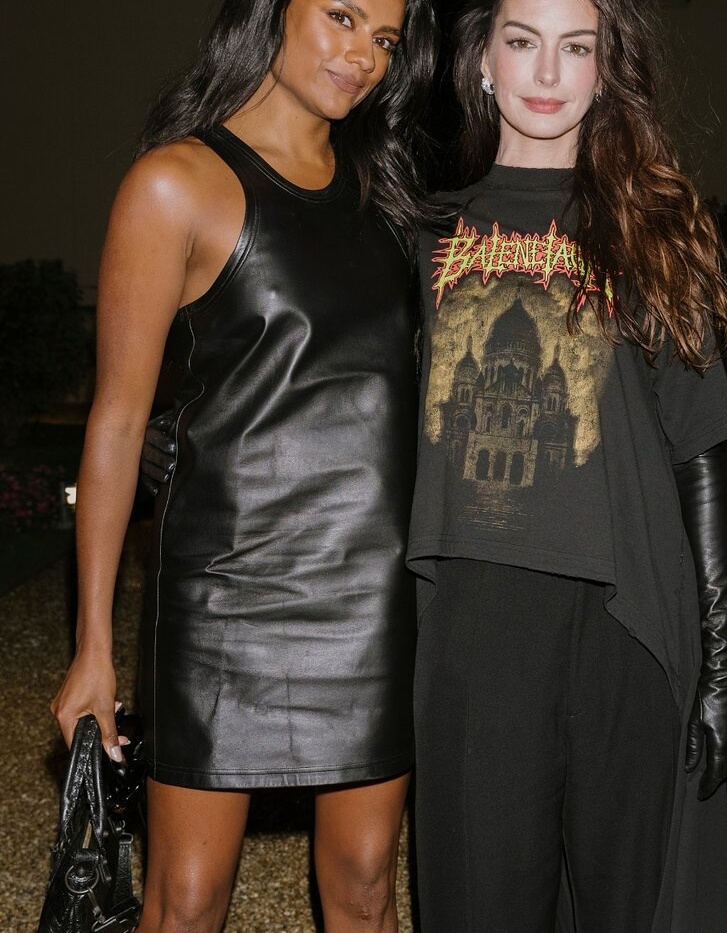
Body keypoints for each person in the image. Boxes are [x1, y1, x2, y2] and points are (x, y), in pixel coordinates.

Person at [49, 1, 442, 931]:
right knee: (185, 901)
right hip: (222, 593)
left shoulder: (391, 197)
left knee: (366, 883)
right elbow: (116, 422)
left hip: (368, 593)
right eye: (342, 16)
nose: (363, 55)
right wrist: (93, 645)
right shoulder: (174, 184)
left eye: (385, 40)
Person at [406, 1, 727, 931]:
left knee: (628, 907)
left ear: (606, 68)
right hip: (476, 627)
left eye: (577, 47)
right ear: (482, 59)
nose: (548, 74)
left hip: (623, 625)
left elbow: (698, 449)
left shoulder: (651, 228)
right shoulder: (420, 236)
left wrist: (723, 662)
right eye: (523, 42)